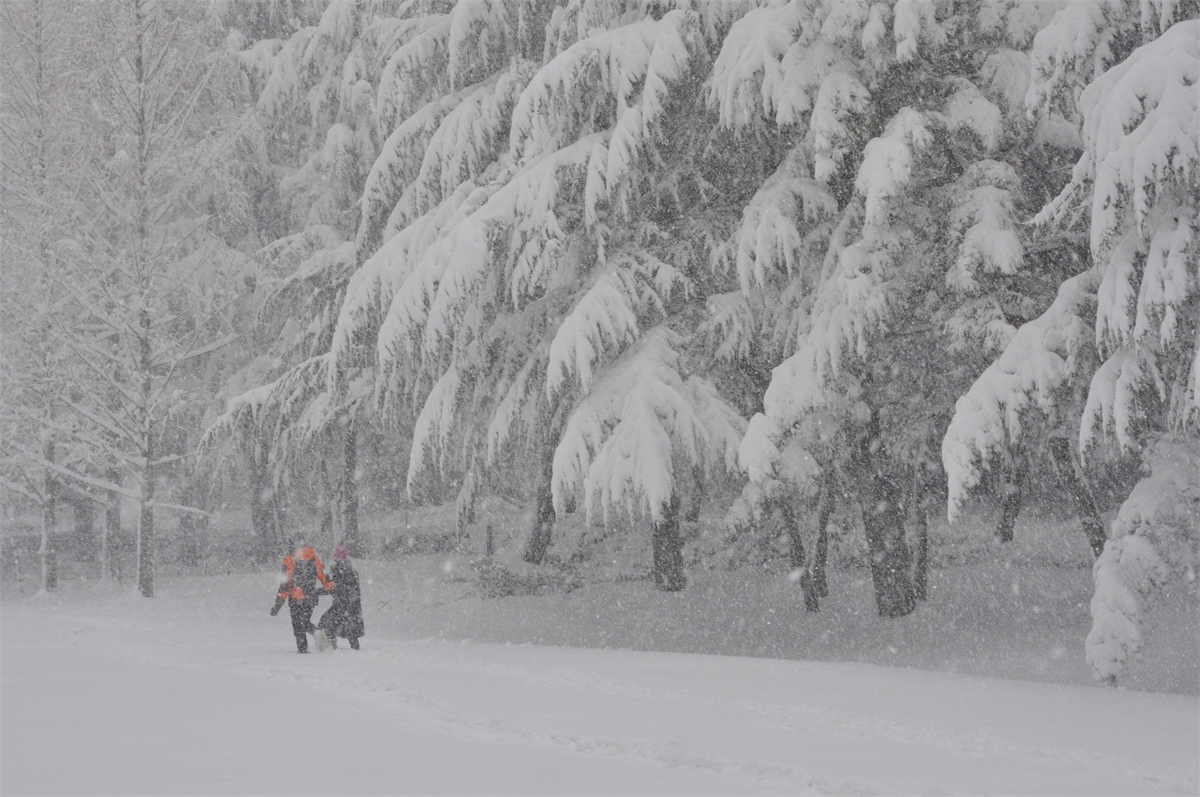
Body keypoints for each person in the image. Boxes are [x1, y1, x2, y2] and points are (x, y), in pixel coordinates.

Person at [270, 541, 334, 653]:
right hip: (311, 598)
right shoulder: (314, 559)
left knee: (297, 624)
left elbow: (285, 585)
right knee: (304, 621)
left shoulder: (289, 561)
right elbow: (324, 577)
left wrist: (278, 603)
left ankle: (303, 649)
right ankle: (315, 631)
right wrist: (330, 588)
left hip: (296, 598)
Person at [317, 545, 365, 650]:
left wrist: (317, 592)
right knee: (351, 627)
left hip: (343, 603)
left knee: (326, 622)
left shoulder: (341, 570)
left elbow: (335, 587)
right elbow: (341, 587)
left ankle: (331, 645)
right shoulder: (350, 570)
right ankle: (354, 647)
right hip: (352, 603)